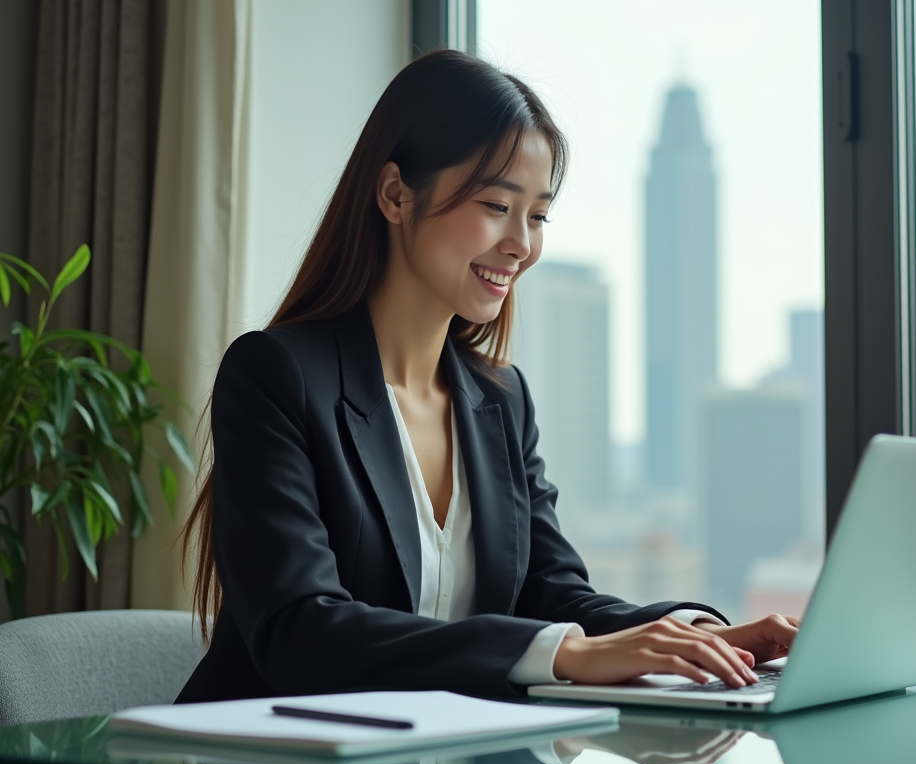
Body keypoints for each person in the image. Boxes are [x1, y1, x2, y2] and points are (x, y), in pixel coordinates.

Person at [175, 49, 800, 706]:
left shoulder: (500, 400)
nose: (522, 245)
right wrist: (566, 653)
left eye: (537, 216)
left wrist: (699, 634)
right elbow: (300, 631)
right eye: (498, 205)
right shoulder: (276, 377)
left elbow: (553, 595)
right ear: (395, 194)